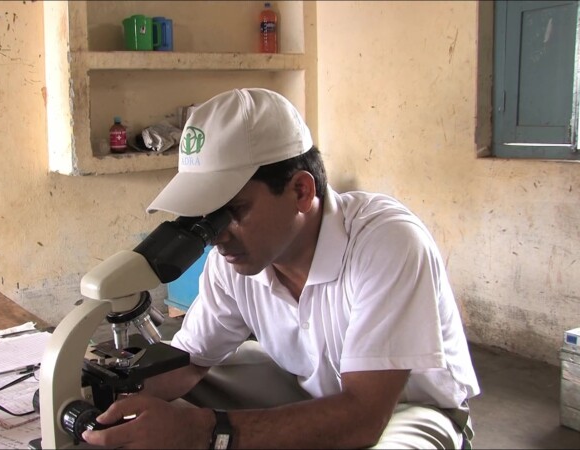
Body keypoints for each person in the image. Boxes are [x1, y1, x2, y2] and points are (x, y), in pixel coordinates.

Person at [82, 88, 480, 449]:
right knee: (182, 388)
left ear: (301, 191)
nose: (217, 236)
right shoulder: (234, 256)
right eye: (204, 216)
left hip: (404, 412)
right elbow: (192, 361)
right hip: (310, 389)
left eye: (233, 211)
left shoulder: (387, 243)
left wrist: (204, 432)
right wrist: (97, 395)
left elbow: (363, 417)